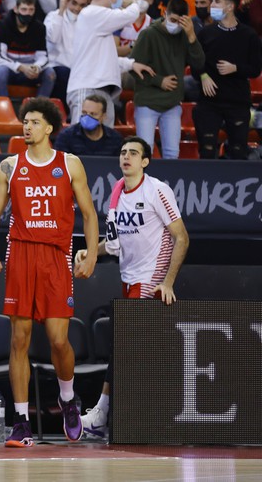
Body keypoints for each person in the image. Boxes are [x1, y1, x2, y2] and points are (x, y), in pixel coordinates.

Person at [0, 97, 99, 447]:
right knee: (19, 339)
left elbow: (89, 215)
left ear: (49, 128)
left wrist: (91, 254)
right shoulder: (9, 166)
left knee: (59, 339)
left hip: (55, 256)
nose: (26, 127)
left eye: (33, 122)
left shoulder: (70, 164)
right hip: (21, 254)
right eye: (24, 121)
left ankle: (67, 398)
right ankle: (21, 422)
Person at [75, 136, 189, 439]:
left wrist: (167, 281)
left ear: (145, 161)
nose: (126, 157)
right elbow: (113, 245)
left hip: (150, 279)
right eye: (123, 152)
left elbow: (182, 237)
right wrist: (90, 251)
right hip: (127, 277)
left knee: (124, 346)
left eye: (133, 153)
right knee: (131, 349)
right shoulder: (116, 193)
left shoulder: (157, 190)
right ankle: (129, 415)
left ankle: (104, 413)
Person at [67, 0, 150, 126]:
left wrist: (131, 64)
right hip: (87, 88)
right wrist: (133, 3)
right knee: (82, 142)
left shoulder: (99, 22)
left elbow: (106, 58)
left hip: (101, 90)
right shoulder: (92, 13)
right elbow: (129, 15)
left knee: (103, 144)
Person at [129, 0, 205, 159]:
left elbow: (199, 64)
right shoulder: (148, 34)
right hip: (147, 102)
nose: (176, 25)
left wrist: (191, 36)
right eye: (173, 20)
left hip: (172, 104)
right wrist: (159, 81)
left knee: (172, 153)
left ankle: (167, 185)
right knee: (144, 154)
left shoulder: (184, 36)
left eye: (180, 21)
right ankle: (143, 185)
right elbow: (133, 68)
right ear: (165, 13)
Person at [192, 0, 262, 159]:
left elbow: (255, 69)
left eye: (217, 2)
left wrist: (235, 68)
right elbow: (194, 62)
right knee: (207, 150)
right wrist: (202, 75)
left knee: (238, 151)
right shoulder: (206, 33)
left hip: (237, 101)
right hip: (209, 102)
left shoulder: (249, 35)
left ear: (230, 7)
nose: (212, 5)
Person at [0, 0, 56, 100]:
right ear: (16, 9)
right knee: (1, 71)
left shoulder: (40, 28)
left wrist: (36, 67)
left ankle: (39, 108)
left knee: (50, 73)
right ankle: (3, 109)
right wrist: (20, 67)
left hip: (30, 71)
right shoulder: (4, 24)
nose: (27, 13)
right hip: (9, 68)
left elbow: (43, 56)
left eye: (31, 10)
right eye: (24, 9)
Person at [45, 0, 91, 102]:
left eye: (82, 5)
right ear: (66, 1)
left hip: (78, 69)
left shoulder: (87, 22)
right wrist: (61, 11)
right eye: (74, 3)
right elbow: (53, 38)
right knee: (65, 74)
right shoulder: (53, 16)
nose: (77, 8)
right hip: (55, 66)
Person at [53, 95, 124, 157]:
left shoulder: (115, 139)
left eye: (93, 114)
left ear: (103, 116)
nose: (87, 118)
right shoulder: (66, 137)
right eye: (84, 113)